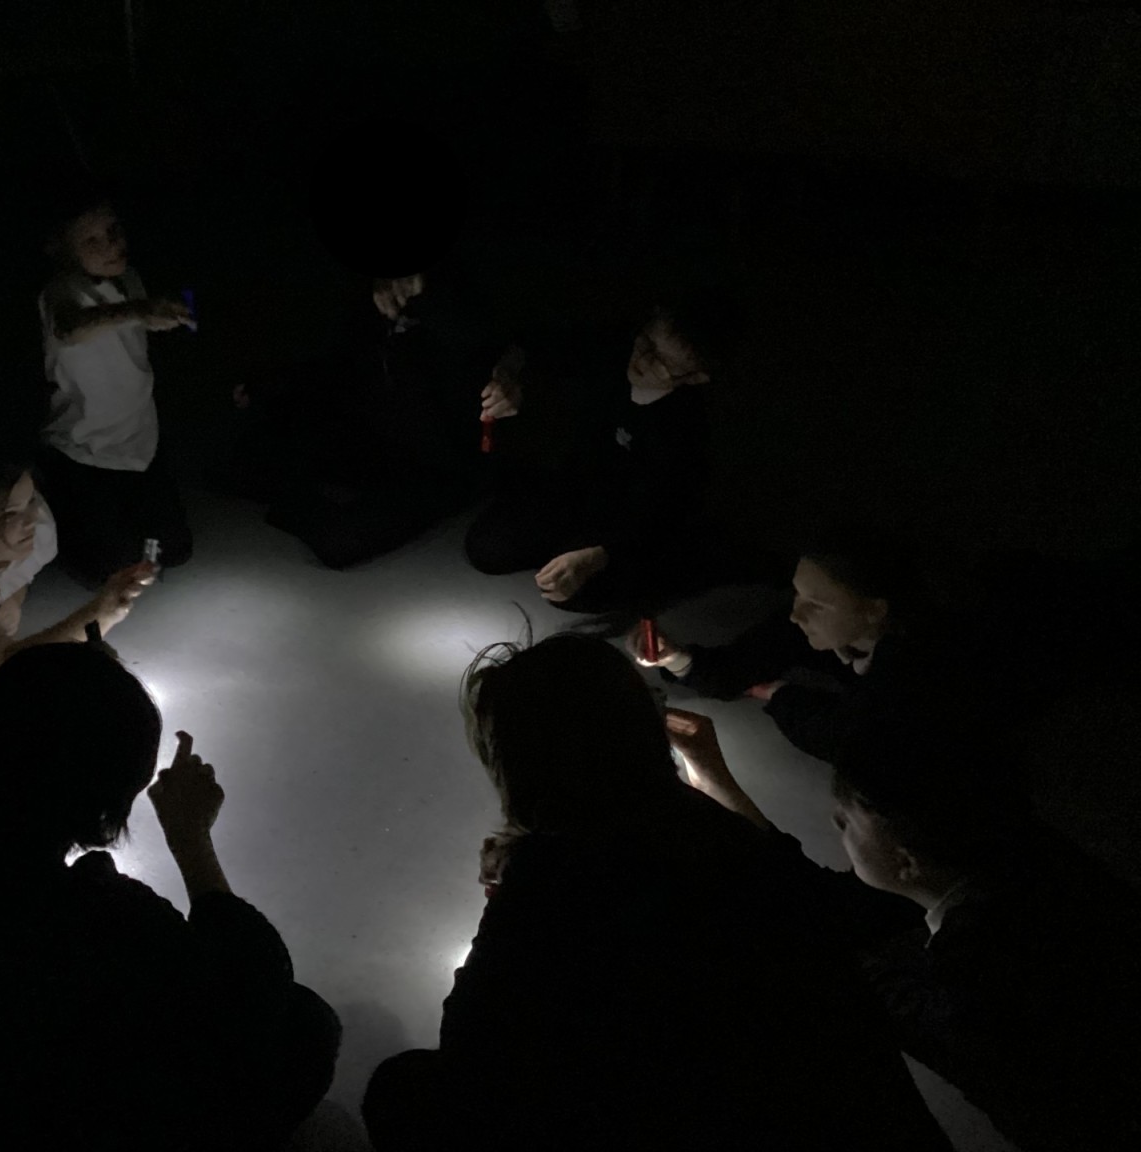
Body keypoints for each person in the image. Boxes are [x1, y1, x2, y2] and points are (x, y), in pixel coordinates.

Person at [362, 632, 950, 1151]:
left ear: (512, 763)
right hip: (866, 1126)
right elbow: (801, 892)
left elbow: (471, 1046)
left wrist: (518, 888)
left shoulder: (546, 887)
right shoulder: (716, 838)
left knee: (402, 1089)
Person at [0, 642, 340, 1150]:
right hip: (4, 1112)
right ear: (109, 810)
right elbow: (255, 983)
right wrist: (190, 839)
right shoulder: (108, 926)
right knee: (306, 1026)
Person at [663, 708, 1141, 1152]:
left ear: (907, 861)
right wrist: (713, 773)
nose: (834, 820)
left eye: (848, 819)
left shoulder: (968, 991)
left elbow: (839, 941)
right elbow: (830, 902)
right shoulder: (1012, 861)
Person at [464, 288, 740, 614]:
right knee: (486, 547)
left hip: (624, 519)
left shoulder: (684, 427)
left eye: (662, 362)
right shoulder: (613, 347)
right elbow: (532, 342)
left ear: (695, 377)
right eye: (647, 343)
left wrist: (600, 554)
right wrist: (508, 377)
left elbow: (662, 511)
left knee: (573, 591)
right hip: (573, 488)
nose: (642, 360)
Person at [225, 267, 512, 568]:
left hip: (439, 466)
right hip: (375, 438)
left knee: (339, 540)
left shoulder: (461, 303)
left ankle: (293, 496)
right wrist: (266, 385)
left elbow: (476, 352)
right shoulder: (367, 298)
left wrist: (424, 297)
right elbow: (330, 359)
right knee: (249, 458)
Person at [636, 528, 960, 763]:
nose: (796, 614)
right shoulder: (806, 628)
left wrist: (781, 695)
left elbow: (846, 741)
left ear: (875, 610)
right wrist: (674, 657)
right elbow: (734, 668)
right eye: (797, 593)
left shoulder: (919, 671)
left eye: (817, 604)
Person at [36, 190, 197, 582]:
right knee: (103, 570)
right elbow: (69, 327)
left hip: (140, 440)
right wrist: (138, 311)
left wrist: (160, 314)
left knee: (176, 551)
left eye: (113, 231)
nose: (111, 244)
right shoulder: (61, 290)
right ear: (65, 250)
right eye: (92, 240)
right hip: (85, 448)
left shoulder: (130, 279)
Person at [0, 441, 154, 674]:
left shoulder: (39, 534)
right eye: (10, 514)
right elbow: (7, 669)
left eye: (32, 499)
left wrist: (13, 598)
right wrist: (103, 612)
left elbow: (17, 583)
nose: (31, 518)